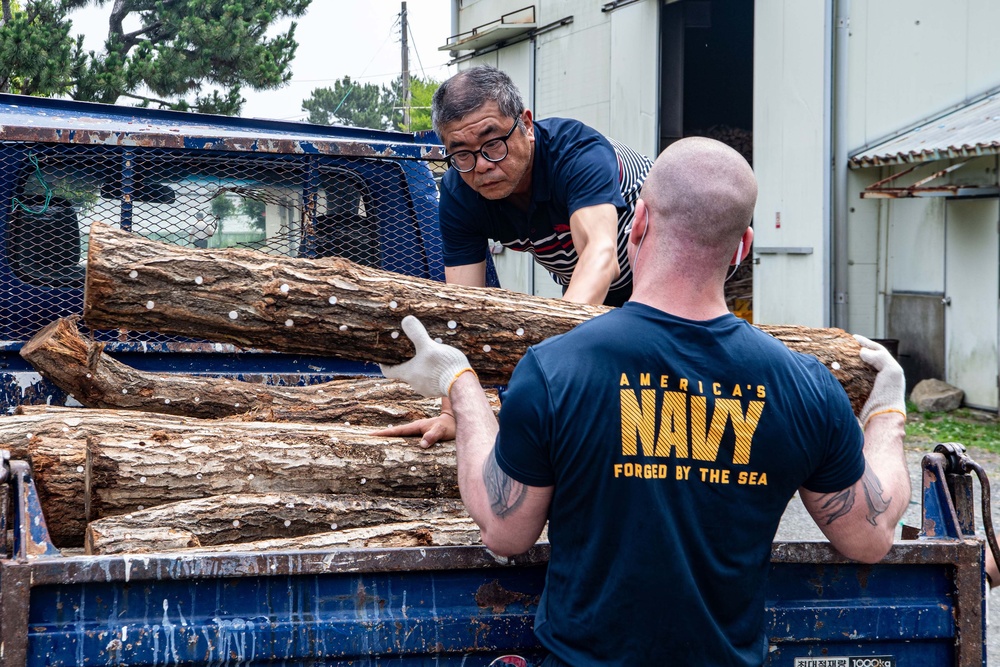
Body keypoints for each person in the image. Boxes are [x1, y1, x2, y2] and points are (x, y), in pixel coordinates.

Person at [379, 137, 912, 666]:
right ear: (743, 246)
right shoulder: (803, 385)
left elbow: (504, 530)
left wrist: (460, 384)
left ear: (638, 223)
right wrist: (887, 410)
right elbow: (869, 538)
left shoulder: (554, 369)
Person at [375, 64, 653, 448]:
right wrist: (452, 412)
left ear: (525, 123)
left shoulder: (577, 153)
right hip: (592, 284)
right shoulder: (460, 193)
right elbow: (463, 307)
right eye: (463, 154)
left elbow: (602, 255)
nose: (484, 166)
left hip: (667, 262)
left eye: (493, 144)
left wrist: (551, 360)